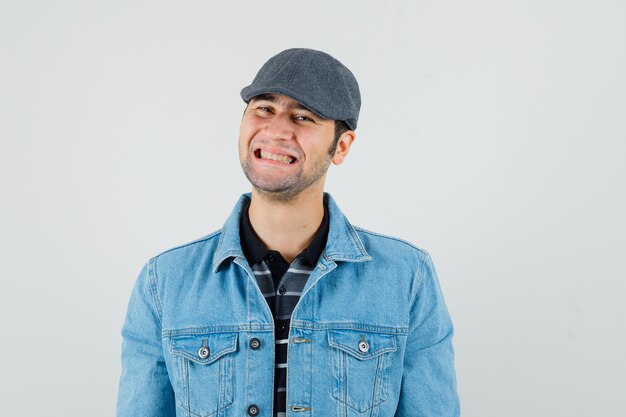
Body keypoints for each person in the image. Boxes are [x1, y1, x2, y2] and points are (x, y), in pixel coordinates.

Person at [116, 48, 460, 417]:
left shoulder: (407, 278)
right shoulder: (164, 283)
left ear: (340, 146)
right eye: (264, 109)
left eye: (303, 116)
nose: (277, 129)